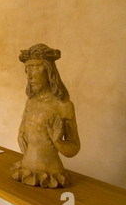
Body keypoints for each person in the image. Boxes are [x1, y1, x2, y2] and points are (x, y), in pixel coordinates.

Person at [10, 44, 81, 188]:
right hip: (26, 169)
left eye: (36, 67)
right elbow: (24, 135)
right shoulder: (31, 102)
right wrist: (21, 135)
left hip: (50, 174)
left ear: (49, 70)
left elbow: (74, 148)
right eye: (28, 69)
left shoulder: (63, 106)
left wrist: (58, 143)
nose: (30, 76)